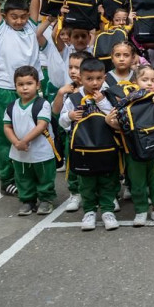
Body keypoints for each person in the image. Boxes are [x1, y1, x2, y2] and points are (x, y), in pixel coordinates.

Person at [0, 0, 42, 196]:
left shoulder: (31, 27)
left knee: (33, 132)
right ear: (6, 16)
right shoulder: (1, 31)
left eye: (22, 16)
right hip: (6, 90)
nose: (19, 20)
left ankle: (32, 175)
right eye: (14, 17)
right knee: (5, 135)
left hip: (33, 90)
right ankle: (6, 179)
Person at [108, 64, 154, 226]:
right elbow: (121, 126)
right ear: (135, 82)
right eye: (144, 80)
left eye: (153, 80)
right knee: (138, 182)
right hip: (134, 148)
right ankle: (141, 210)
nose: (150, 84)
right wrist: (109, 121)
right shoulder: (127, 101)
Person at [58, 57, 118, 231]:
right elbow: (62, 123)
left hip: (106, 148)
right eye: (89, 79)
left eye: (99, 78)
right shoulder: (73, 98)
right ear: (81, 79)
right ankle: (89, 211)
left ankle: (108, 211)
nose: (94, 83)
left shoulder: (108, 96)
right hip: (82, 150)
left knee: (108, 181)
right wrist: (68, 116)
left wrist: (102, 102)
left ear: (104, 78)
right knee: (86, 183)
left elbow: (116, 117)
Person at [3, 66, 57, 216]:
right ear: (15, 86)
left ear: (38, 85)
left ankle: (46, 199)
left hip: (41, 151)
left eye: (29, 83)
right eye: (20, 84)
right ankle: (28, 200)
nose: (24, 88)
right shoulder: (11, 107)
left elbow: (42, 125)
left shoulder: (42, 104)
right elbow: (7, 127)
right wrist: (16, 142)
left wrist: (24, 141)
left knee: (45, 176)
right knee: (23, 177)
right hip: (19, 152)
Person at [51, 50, 94, 212]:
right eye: (70, 67)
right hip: (74, 135)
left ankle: (105, 194)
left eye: (77, 67)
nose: (73, 71)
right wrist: (61, 92)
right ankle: (75, 193)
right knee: (73, 164)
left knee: (99, 163)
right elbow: (56, 111)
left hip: (94, 134)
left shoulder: (95, 87)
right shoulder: (68, 89)